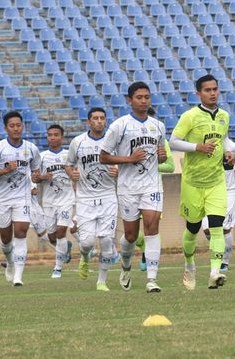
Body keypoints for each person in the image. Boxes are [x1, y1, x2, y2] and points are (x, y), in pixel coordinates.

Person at [100, 82, 168, 293]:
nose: (144, 100)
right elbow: (103, 157)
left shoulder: (158, 126)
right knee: (131, 235)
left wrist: (161, 156)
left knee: (152, 226)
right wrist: (129, 159)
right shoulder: (120, 125)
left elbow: (161, 154)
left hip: (152, 185)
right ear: (129, 100)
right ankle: (126, 265)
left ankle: (152, 279)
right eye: (139, 97)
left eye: (147, 96)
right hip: (128, 187)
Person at [170, 74, 231, 290]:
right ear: (198, 93)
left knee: (217, 226)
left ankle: (215, 272)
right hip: (193, 183)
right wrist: (197, 147)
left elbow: (223, 140)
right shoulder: (190, 116)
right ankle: (189, 265)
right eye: (207, 90)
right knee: (193, 228)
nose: (213, 93)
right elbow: (173, 142)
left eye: (215, 89)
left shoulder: (224, 116)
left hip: (216, 181)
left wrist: (228, 153)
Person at [0, 111, 41, 287]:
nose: (16, 129)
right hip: (3, 198)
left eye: (19, 125)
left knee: (22, 232)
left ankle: (18, 276)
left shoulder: (31, 148)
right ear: (5, 128)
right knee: (6, 238)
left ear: (22, 126)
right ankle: (9, 262)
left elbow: (36, 172)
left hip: (22, 198)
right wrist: (5, 170)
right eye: (12, 126)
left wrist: (36, 181)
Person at [66, 107, 119, 291]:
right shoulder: (78, 142)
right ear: (88, 122)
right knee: (87, 242)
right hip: (85, 199)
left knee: (106, 241)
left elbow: (122, 164)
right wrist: (72, 174)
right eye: (95, 118)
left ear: (105, 121)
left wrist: (117, 170)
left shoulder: (113, 142)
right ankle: (85, 256)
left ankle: (101, 281)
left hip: (108, 197)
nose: (99, 121)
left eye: (102, 118)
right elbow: (69, 164)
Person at [200, 138, 235, 272]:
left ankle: (224, 261)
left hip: (227, 190)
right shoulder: (204, 143)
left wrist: (234, 173)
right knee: (207, 229)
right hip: (208, 190)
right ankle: (218, 253)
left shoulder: (231, 146)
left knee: (224, 228)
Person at [134, 107, 175, 272]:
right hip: (132, 189)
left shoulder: (162, 142)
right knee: (134, 235)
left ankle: (147, 258)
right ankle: (143, 249)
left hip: (152, 190)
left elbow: (171, 166)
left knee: (151, 227)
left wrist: (152, 167)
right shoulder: (131, 139)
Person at [34, 124, 74, 278]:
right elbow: (34, 177)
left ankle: (57, 268)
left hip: (66, 200)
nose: (52, 137)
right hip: (49, 202)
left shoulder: (69, 155)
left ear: (61, 137)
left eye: (56, 135)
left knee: (61, 232)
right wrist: (43, 177)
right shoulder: (42, 156)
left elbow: (77, 172)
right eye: (49, 135)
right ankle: (66, 248)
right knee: (52, 236)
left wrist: (73, 174)